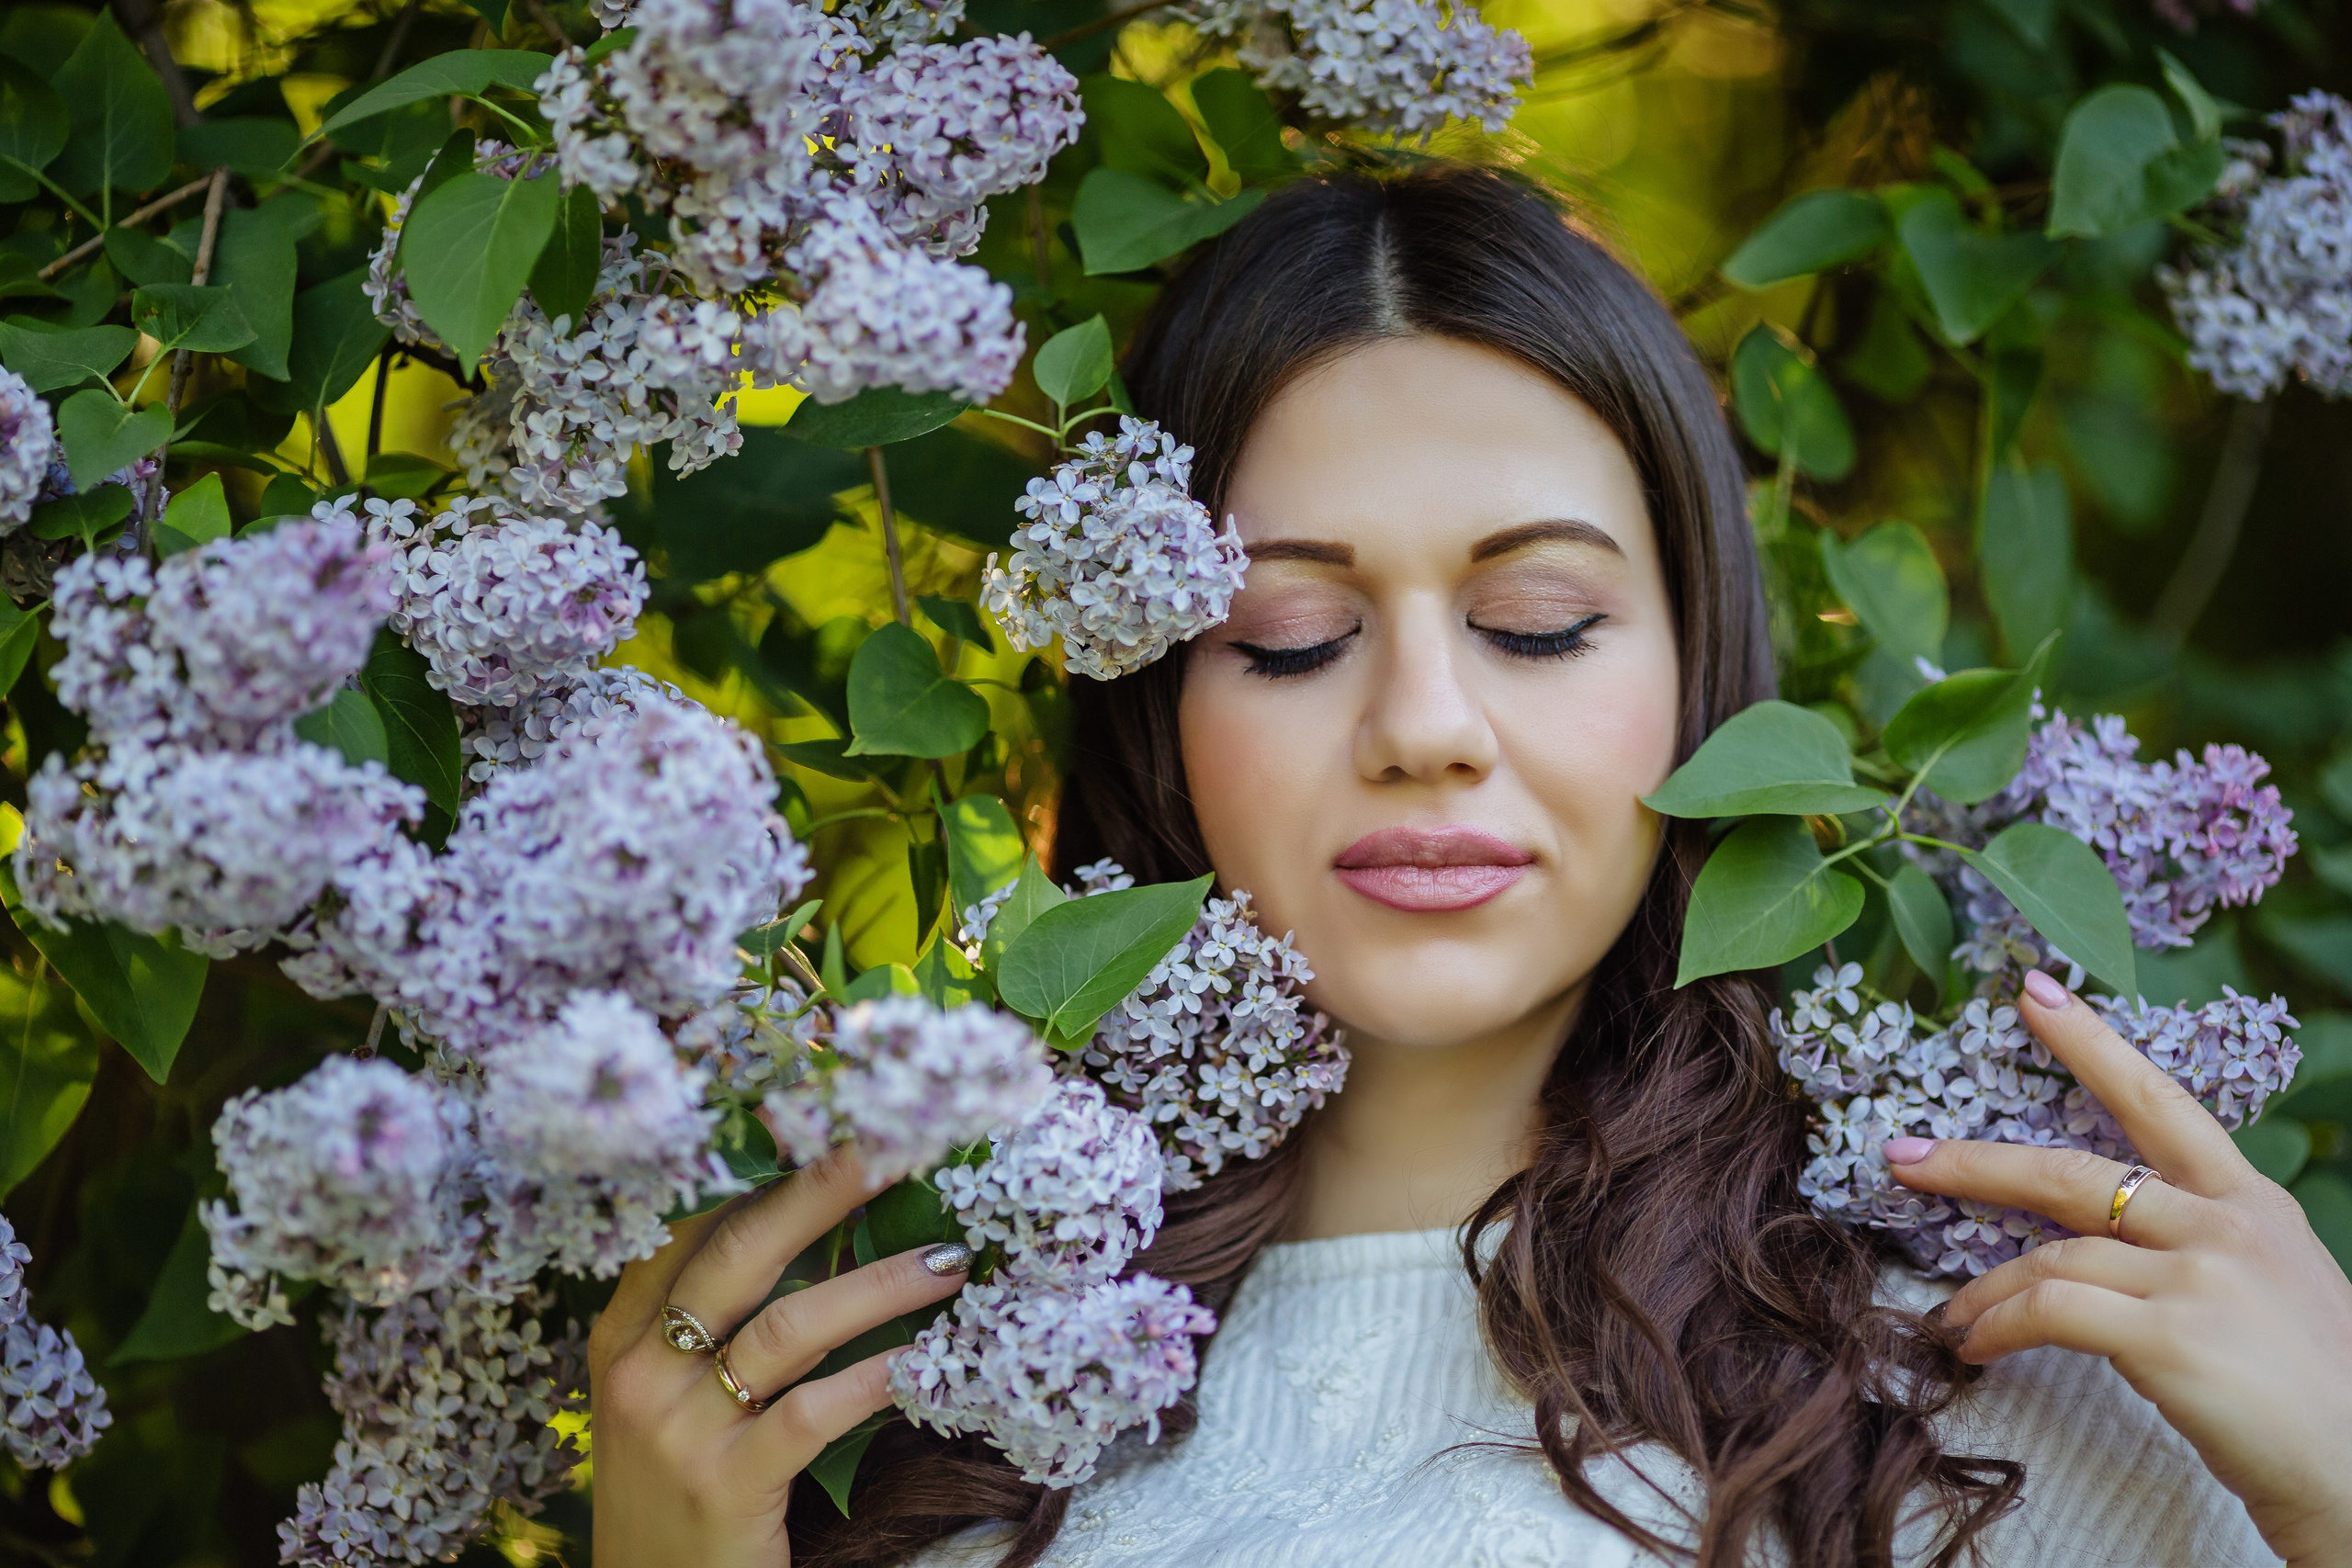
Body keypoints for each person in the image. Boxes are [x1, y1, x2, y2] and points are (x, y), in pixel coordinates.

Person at [583, 167, 2352, 1568]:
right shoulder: (923, 1399)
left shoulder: (1987, 1392)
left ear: (1697, 677)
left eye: (1539, 622)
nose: (1424, 724)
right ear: (1150, 710)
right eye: (1290, 635)